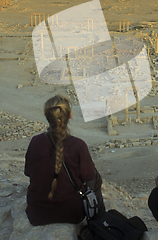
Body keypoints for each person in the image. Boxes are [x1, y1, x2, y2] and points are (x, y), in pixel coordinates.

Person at [25, 94, 105, 226]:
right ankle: (98, 220)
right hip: (71, 214)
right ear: (70, 116)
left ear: (47, 117)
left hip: (38, 214)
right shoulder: (78, 145)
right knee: (95, 176)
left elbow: (28, 172)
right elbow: (89, 177)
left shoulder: (35, 142)